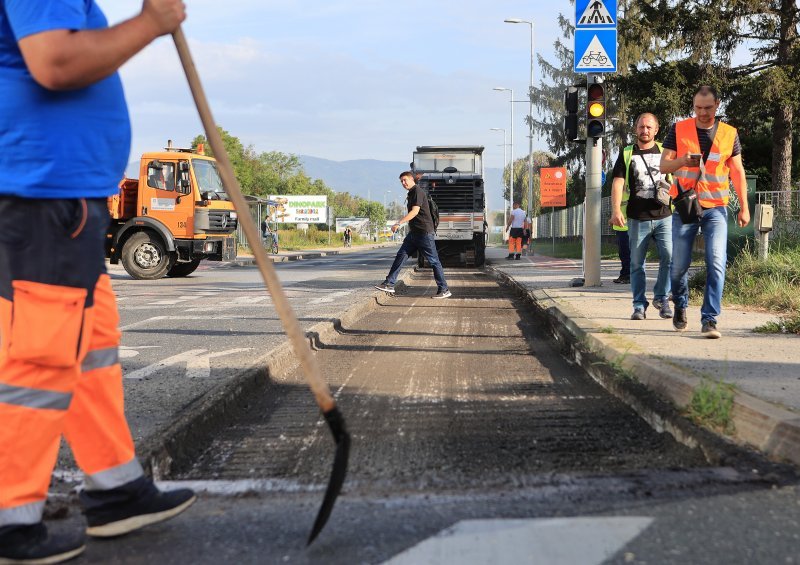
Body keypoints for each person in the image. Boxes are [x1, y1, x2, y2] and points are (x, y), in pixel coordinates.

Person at [0, 2, 196, 563]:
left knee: (89, 351)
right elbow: (56, 62)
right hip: (43, 196)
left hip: (65, 200)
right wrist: (151, 24)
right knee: (37, 361)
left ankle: (117, 489)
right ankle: (9, 519)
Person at [660, 85, 750, 338]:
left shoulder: (729, 133)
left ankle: (710, 319)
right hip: (685, 208)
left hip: (716, 208)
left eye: (708, 108)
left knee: (717, 262)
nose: (702, 113)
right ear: (693, 105)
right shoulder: (678, 129)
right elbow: (663, 164)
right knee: (678, 267)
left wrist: (744, 207)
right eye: (698, 108)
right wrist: (681, 161)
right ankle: (681, 303)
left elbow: (737, 172)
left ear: (717, 105)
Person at [610, 113, 673, 320]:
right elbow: (618, 182)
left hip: (664, 216)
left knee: (669, 257)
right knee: (636, 264)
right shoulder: (627, 153)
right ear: (635, 129)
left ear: (656, 129)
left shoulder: (666, 151)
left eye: (648, 127)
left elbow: (678, 179)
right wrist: (616, 210)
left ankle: (662, 298)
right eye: (641, 127)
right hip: (637, 218)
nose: (644, 131)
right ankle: (639, 305)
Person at [374, 172, 451, 298]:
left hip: (424, 233)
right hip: (414, 234)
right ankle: (389, 283)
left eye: (405, 180)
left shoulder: (417, 191)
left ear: (411, 179)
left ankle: (444, 289)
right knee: (401, 255)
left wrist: (399, 223)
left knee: (433, 261)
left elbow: (415, 212)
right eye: (401, 182)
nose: (403, 183)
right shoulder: (411, 193)